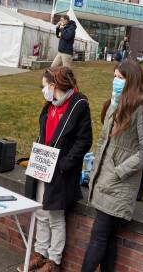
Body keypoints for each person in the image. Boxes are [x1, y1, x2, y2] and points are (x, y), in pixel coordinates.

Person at [82, 59, 143, 271]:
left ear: (131, 80)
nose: (115, 81)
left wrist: (118, 172)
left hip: (119, 183)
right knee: (108, 237)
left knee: (98, 237)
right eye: (114, 76)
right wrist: (95, 169)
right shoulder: (115, 102)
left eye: (120, 78)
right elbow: (103, 141)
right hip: (104, 178)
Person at [20, 67, 92, 272]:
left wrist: (66, 163)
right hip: (44, 165)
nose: (43, 90)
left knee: (55, 216)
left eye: (44, 86)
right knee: (41, 212)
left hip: (61, 170)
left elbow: (84, 139)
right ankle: (40, 252)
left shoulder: (78, 104)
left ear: (54, 86)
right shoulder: (49, 105)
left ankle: (54, 260)